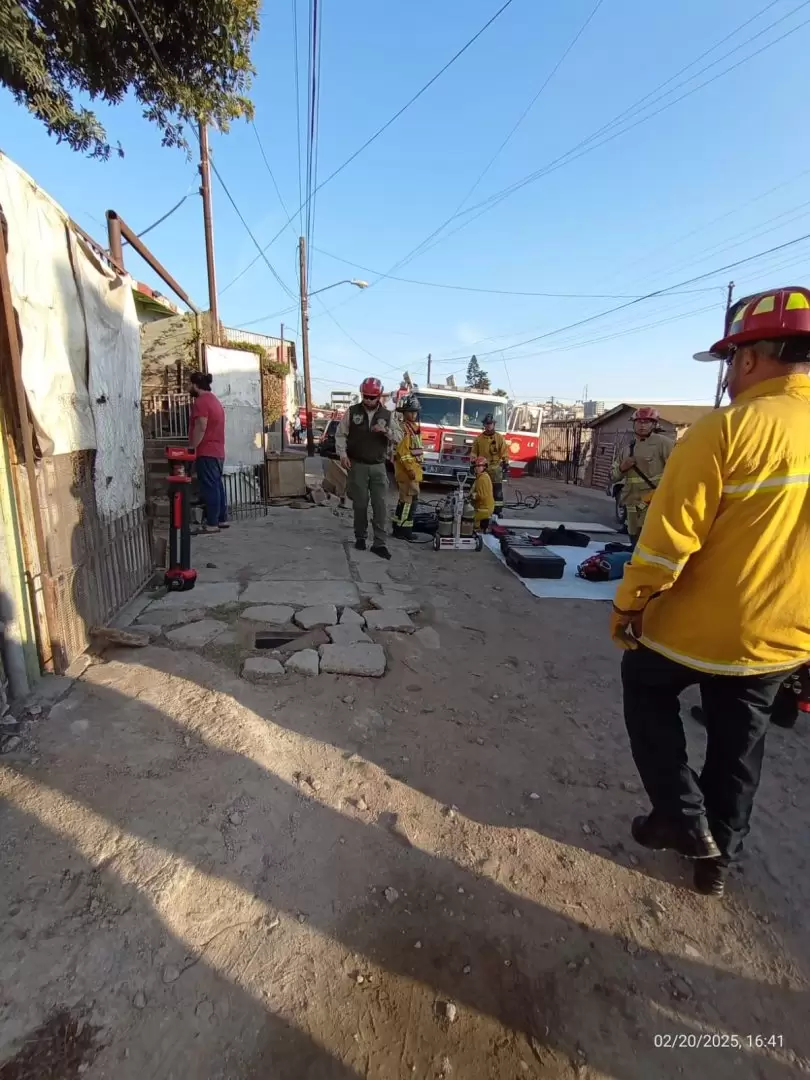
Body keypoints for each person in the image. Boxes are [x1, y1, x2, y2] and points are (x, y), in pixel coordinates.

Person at [611, 286, 810, 898]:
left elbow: (665, 542)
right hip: (783, 640)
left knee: (645, 688)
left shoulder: (725, 430)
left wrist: (630, 606)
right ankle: (718, 858)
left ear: (750, 357)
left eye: (728, 360)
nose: (727, 374)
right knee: (739, 744)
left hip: (699, 629)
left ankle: (681, 817)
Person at [335, 377, 395, 559]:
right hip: (358, 465)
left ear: (379, 396)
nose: (368, 400)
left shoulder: (388, 415)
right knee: (360, 504)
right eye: (366, 397)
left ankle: (380, 543)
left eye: (372, 397)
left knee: (381, 506)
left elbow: (399, 437)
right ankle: (360, 537)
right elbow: (340, 434)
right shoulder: (352, 412)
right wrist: (343, 455)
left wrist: (386, 431)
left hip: (378, 466)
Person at [611, 407, 674, 545]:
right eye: (639, 422)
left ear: (654, 424)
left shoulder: (663, 443)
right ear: (634, 424)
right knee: (634, 539)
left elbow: (677, 470)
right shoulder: (627, 448)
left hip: (652, 502)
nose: (642, 425)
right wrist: (623, 467)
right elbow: (613, 477)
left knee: (649, 541)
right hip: (632, 504)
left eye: (647, 422)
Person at [188, 371, 228, 534]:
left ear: (195, 385)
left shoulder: (201, 402)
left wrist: (192, 446)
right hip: (218, 451)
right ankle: (221, 519)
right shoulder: (214, 400)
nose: (187, 387)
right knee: (217, 486)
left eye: (188, 384)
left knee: (210, 487)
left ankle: (212, 524)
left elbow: (201, 426)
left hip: (207, 450)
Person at [391, 394, 424, 541]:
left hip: (413, 471)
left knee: (407, 501)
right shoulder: (404, 429)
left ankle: (400, 528)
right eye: (411, 411)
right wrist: (410, 469)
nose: (413, 414)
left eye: (415, 411)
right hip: (407, 473)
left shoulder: (413, 428)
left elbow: (415, 449)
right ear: (404, 413)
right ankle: (404, 530)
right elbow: (403, 452)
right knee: (408, 503)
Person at [471, 414, 509, 516]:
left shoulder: (499, 438)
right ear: (484, 425)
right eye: (486, 424)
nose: (488, 426)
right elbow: (474, 452)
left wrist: (506, 463)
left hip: (495, 468)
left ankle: (497, 511)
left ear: (493, 424)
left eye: (490, 424)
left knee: (497, 491)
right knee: (482, 489)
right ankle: (481, 508)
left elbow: (504, 451)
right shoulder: (479, 439)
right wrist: (473, 463)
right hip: (482, 468)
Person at [470, 455, 495, 531]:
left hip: (484, 509)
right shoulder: (481, 476)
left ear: (484, 467)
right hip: (482, 507)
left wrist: (472, 496)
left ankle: (475, 531)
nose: (476, 468)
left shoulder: (482, 479)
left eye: (478, 466)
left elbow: (481, 496)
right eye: (475, 466)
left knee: (467, 518)